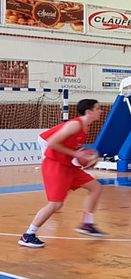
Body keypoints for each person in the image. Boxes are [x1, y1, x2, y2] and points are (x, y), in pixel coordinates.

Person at [19, 99, 104, 248]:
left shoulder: (86, 127)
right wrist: (77, 155)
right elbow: (51, 142)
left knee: (96, 187)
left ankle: (87, 224)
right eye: (98, 108)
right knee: (56, 204)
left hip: (68, 166)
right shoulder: (74, 125)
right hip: (55, 165)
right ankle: (28, 235)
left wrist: (90, 157)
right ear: (89, 111)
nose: (101, 111)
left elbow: (74, 150)